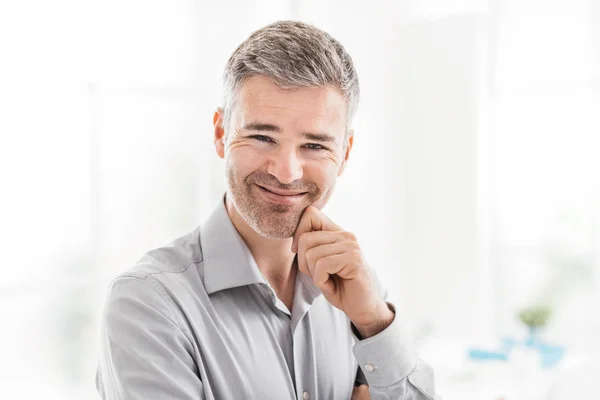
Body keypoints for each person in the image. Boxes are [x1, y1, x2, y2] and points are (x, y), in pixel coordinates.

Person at [96, 20, 437, 400]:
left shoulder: (359, 289)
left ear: (345, 153)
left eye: (314, 145)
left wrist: (375, 323)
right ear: (221, 133)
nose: (286, 171)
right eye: (261, 137)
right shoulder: (149, 304)